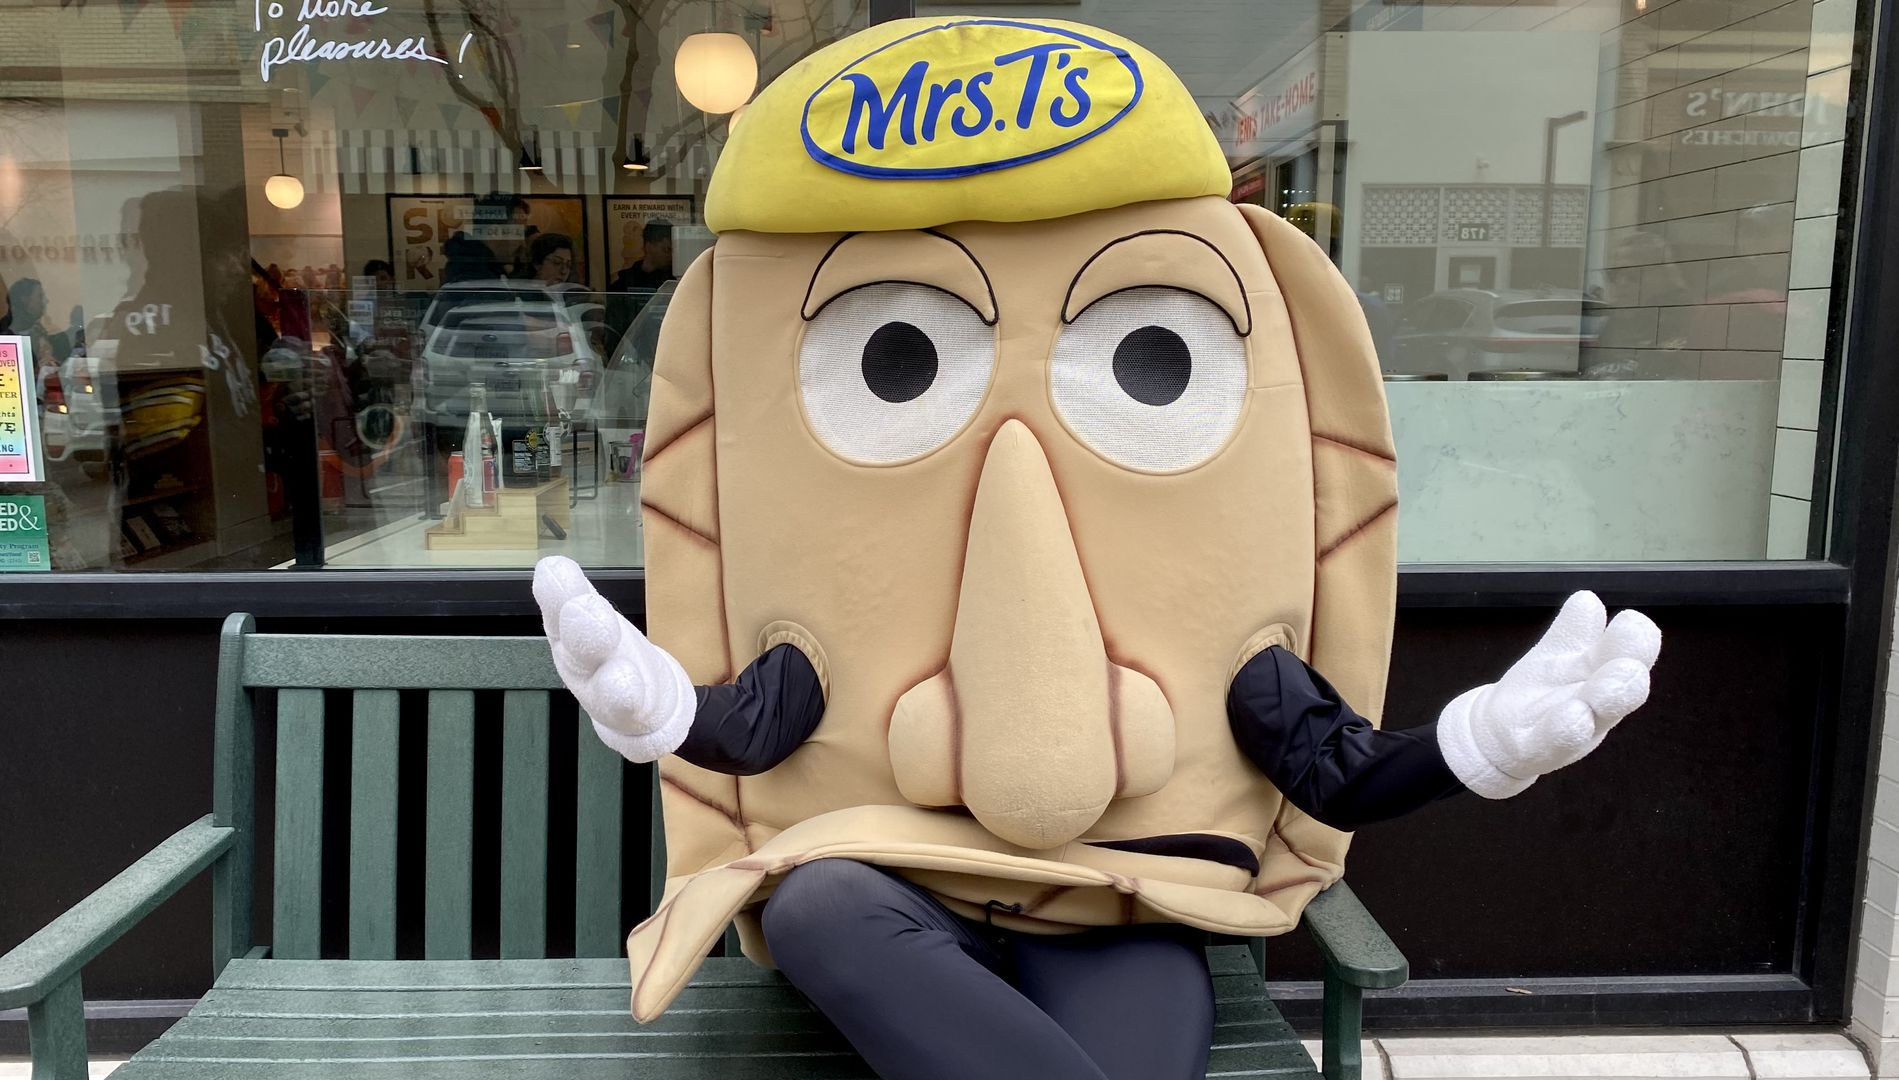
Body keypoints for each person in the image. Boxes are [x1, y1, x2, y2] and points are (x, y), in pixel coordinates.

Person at [532, 19, 1664, 1080]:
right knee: (820, 908)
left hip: (1124, 896)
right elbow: (753, 729)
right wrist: (669, 713)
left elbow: (1336, 773)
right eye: (893, 363)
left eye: (1154, 362)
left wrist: (1482, 743)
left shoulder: (1232, 634)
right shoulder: (833, 608)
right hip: (892, 893)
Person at [611, 219, 675, 293]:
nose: (671, 255)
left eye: (674, 251)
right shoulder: (625, 281)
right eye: (667, 250)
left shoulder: (674, 279)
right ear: (649, 246)